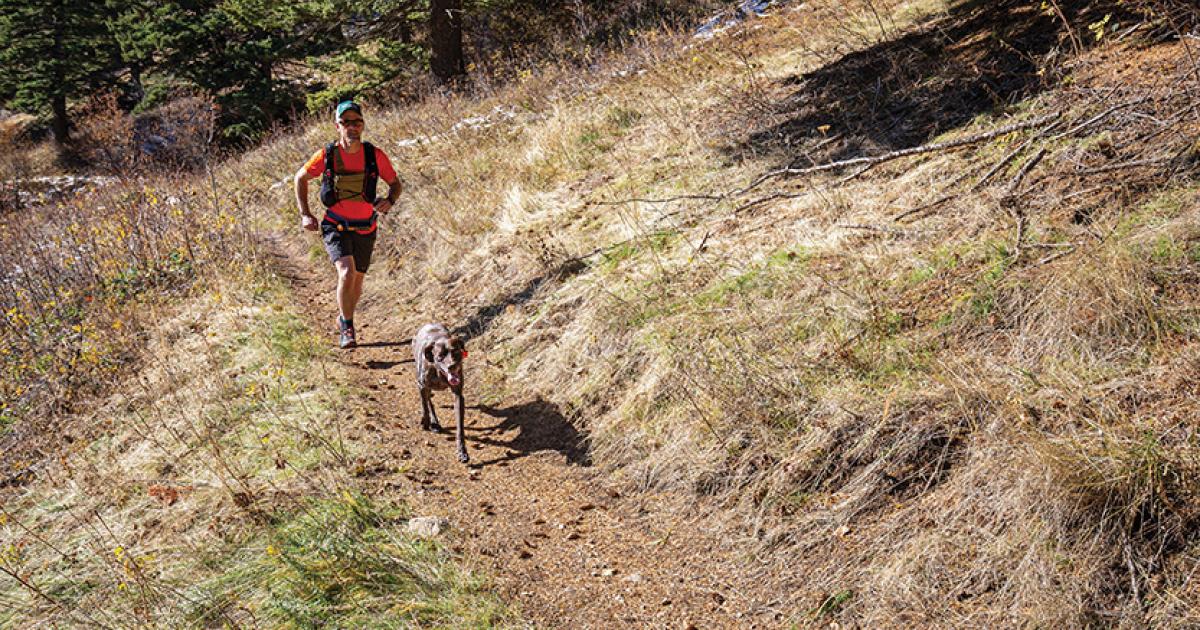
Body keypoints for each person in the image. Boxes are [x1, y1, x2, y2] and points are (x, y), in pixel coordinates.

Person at [294, 101, 402, 348]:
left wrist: (390, 200)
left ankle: (345, 316)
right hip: (336, 225)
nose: (352, 127)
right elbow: (300, 177)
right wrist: (305, 214)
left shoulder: (374, 155)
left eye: (357, 122)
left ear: (362, 125)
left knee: (357, 281)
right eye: (346, 123)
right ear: (337, 126)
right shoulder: (327, 155)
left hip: (366, 226)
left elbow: (396, 184)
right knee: (346, 272)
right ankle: (347, 326)